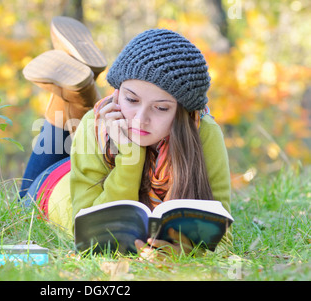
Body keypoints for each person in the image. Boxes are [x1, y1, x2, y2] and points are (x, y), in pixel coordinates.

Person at [19, 16, 232, 258]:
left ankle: (78, 90)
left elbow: (222, 233)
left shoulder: (203, 131)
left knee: (95, 126)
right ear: (118, 92)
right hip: (54, 183)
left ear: (184, 112)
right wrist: (131, 155)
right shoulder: (93, 124)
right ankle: (74, 93)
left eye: (161, 108)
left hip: (95, 162)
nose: (140, 119)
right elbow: (94, 234)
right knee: (22, 197)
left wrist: (185, 253)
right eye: (131, 99)